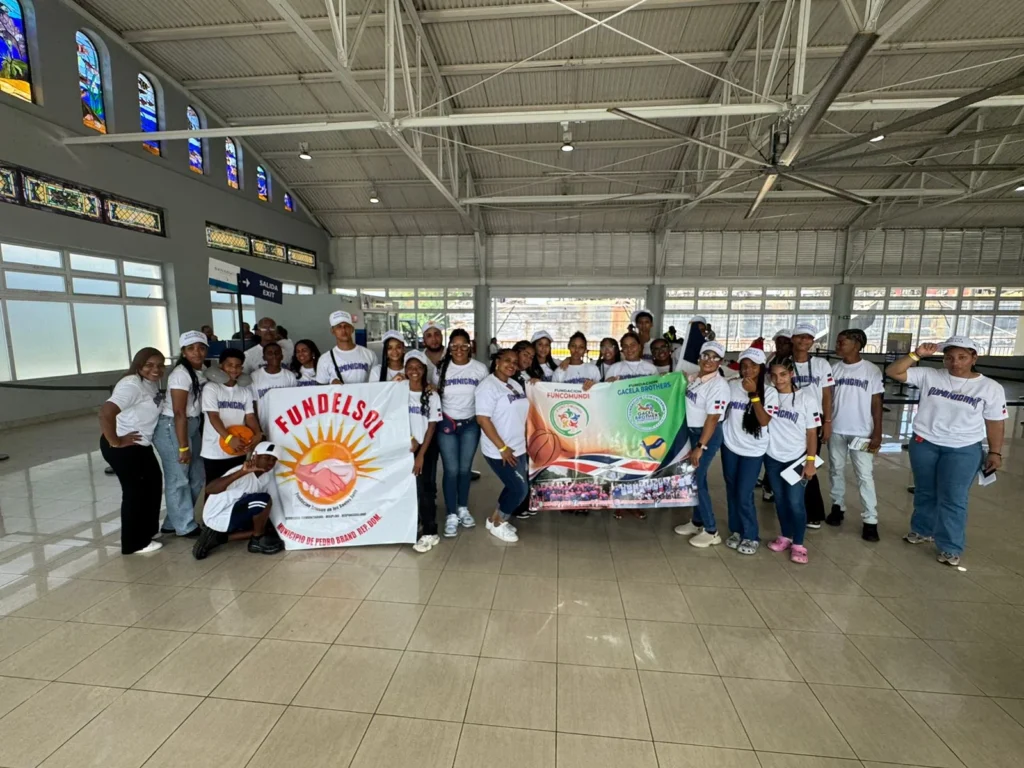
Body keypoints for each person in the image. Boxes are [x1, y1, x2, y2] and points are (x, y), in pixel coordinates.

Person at [885, 336, 1006, 567]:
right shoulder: (931, 375)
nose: (955, 363)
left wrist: (995, 452)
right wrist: (916, 355)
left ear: (974, 358)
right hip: (925, 443)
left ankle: (950, 546)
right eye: (949, 357)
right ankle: (922, 530)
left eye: (962, 357)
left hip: (963, 449)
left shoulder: (990, 387)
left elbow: (995, 422)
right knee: (925, 491)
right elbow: (894, 371)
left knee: (953, 497)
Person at [98, 347, 166, 555]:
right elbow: (105, 413)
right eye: (149, 365)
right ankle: (134, 543)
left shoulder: (150, 383)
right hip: (125, 448)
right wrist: (116, 441)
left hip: (140, 445)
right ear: (139, 365)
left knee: (153, 485)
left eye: (159, 365)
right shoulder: (131, 385)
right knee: (135, 493)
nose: (155, 369)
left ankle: (147, 531)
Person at [827, 329, 884, 541]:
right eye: (838, 341)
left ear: (857, 344)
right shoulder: (834, 369)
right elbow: (829, 399)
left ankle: (870, 519)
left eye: (843, 342)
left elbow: (877, 402)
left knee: (864, 475)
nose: (838, 345)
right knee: (836, 469)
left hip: (862, 432)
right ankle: (837, 506)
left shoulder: (871, 370)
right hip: (837, 430)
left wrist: (877, 432)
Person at [764, 358, 821, 564]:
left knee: (795, 502)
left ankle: (798, 543)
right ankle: (785, 536)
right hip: (772, 457)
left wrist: (811, 461)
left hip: (796, 459)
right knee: (780, 500)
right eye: (774, 375)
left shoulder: (807, 399)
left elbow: (812, 433)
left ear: (791, 375)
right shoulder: (769, 396)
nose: (778, 380)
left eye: (783, 375)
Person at [675, 340, 730, 548]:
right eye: (705, 356)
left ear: (720, 362)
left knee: (697, 479)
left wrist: (701, 446)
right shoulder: (696, 378)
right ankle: (697, 521)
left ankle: (711, 530)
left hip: (706, 435)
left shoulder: (719, 386)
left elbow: (713, 419)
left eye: (714, 358)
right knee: (695, 477)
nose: (709, 361)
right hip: (692, 432)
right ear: (699, 358)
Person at [720, 348, 775, 556]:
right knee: (732, 490)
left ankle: (751, 534)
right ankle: (736, 530)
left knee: (744, 493)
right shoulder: (732, 386)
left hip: (753, 450)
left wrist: (753, 395)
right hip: (731, 446)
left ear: (761, 368)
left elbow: (764, 420)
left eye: (753, 366)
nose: (748, 370)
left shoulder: (770, 392)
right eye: (744, 365)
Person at [153, 331, 207, 538]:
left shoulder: (201, 371)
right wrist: (183, 446)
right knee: (179, 478)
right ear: (183, 351)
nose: (197, 352)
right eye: (191, 348)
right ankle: (184, 526)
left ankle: (172, 521)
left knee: (197, 476)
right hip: (173, 427)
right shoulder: (180, 374)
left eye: (201, 347)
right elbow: (178, 412)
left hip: (191, 425)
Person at [436, 329, 489, 536]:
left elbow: (486, 396)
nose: (459, 350)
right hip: (446, 425)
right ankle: (451, 513)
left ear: (470, 347)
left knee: (465, 470)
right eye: (454, 346)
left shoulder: (479, 369)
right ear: (449, 348)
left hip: (470, 425)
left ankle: (462, 507)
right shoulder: (441, 369)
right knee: (451, 470)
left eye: (463, 346)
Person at [192, 442, 285, 559]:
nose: (270, 463)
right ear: (255, 456)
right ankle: (256, 542)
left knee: (269, 527)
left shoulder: (266, 476)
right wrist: (242, 472)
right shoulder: (241, 472)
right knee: (262, 501)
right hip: (218, 514)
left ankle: (220, 538)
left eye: (273, 460)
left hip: (237, 511)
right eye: (266, 458)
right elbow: (210, 489)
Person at [476, 349, 530, 543]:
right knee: (519, 489)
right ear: (497, 362)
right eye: (507, 360)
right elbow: (483, 419)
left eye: (515, 362)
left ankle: (494, 519)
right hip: (500, 451)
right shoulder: (488, 387)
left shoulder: (514, 384)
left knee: (514, 485)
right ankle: (499, 524)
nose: (512, 364)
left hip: (519, 447)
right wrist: (502, 448)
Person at [790, 323, 834, 528]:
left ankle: (813, 511)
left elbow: (826, 395)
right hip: (788, 420)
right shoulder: (784, 362)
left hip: (813, 422)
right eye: (800, 337)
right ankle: (792, 503)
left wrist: (827, 422)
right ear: (793, 339)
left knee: (809, 464)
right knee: (788, 462)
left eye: (808, 338)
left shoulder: (821, 365)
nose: (804, 341)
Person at [201, 348, 261, 481]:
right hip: (214, 451)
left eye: (238, 366)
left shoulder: (245, 391)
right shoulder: (211, 388)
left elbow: (250, 416)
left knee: (236, 490)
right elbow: (213, 417)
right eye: (229, 365)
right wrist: (228, 438)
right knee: (214, 491)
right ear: (221, 366)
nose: (234, 369)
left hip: (239, 447)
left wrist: (257, 433)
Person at [406, 350, 443, 553]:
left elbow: (431, 426)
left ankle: (430, 531)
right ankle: (416, 522)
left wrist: (420, 453)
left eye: (418, 367)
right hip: (406, 448)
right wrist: (410, 439)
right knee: (411, 489)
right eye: (410, 367)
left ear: (424, 370)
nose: (414, 371)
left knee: (425, 488)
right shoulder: (398, 391)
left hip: (426, 448)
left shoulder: (431, 394)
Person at [316, 311, 378, 384]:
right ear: (332, 331)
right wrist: (331, 384)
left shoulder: (369, 354)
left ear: (352, 329)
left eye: (347, 326)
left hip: (364, 395)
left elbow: (376, 384)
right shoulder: (325, 359)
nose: (343, 330)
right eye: (339, 327)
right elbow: (320, 388)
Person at [251, 342, 298, 435]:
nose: (274, 355)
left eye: (277, 352)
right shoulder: (255, 376)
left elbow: (294, 402)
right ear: (264, 357)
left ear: (282, 356)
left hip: (287, 425)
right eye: (270, 353)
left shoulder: (290, 376)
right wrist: (257, 428)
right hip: (264, 425)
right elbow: (253, 404)